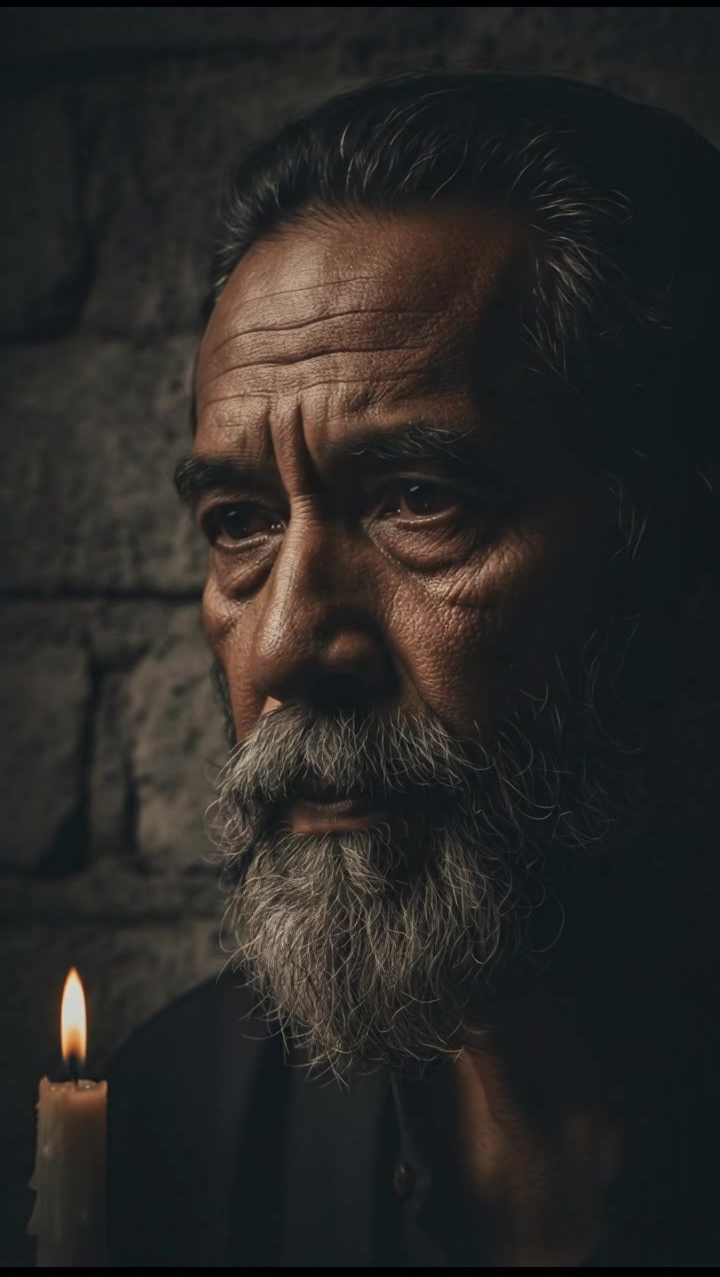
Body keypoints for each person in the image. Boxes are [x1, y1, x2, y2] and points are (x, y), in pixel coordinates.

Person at [108, 71, 720, 1267]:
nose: (285, 645)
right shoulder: (167, 1126)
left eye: (420, 501)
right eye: (240, 522)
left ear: (681, 553)